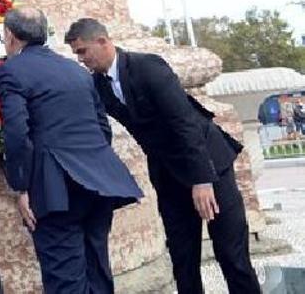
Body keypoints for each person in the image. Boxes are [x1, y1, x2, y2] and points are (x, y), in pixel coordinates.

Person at [65, 18, 261, 294]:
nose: (81, 59)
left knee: (231, 253)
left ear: (102, 41)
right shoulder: (99, 85)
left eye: (83, 51)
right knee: (182, 258)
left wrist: (202, 181)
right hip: (167, 173)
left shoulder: (147, 67)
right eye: (76, 54)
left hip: (208, 165)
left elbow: (185, 123)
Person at [0, 8, 142, 293]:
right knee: (97, 273)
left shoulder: (10, 71)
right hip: (99, 182)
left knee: (65, 279)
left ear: (10, 36)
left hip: (55, 190)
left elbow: (16, 134)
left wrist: (22, 187)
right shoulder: (76, 70)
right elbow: (103, 127)